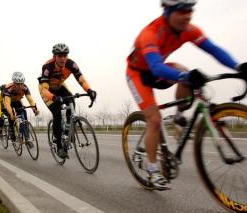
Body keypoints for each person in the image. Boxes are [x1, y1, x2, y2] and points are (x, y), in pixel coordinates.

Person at [126, 0, 247, 190]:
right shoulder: (150, 33)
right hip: (139, 74)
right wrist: (185, 76)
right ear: (167, 12)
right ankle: (152, 169)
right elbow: (156, 68)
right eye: (182, 11)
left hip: (159, 69)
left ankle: (179, 118)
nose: (187, 15)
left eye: (190, 10)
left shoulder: (189, 30)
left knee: (186, 73)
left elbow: (214, 49)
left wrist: (238, 66)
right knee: (155, 120)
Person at [38, 43, 97, 158]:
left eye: (65, 55)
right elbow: (44, 89)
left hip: (60, 87)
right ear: (54, 56)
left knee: (71, 101)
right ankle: (59, 145)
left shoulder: (71, 64)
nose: (63, 58)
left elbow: (81, 79)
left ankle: (67, 130)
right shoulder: (47, 67)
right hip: (46, 90)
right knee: (57, 113)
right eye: (60, 56)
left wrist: (89, 90)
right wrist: (54, 98)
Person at [3, 71, 39, 146]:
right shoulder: (8, 88)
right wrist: (11, 114)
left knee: (23, 114)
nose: (20, 86)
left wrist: (34, 109)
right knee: (11, 116)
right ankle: (11, 131)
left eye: (21, 84)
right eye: (17, 84)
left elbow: (30, 99)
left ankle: (26, 137)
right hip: (8, 102)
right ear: (13, 83)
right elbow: (8, 104)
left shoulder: (25, 88)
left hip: (17, 101)